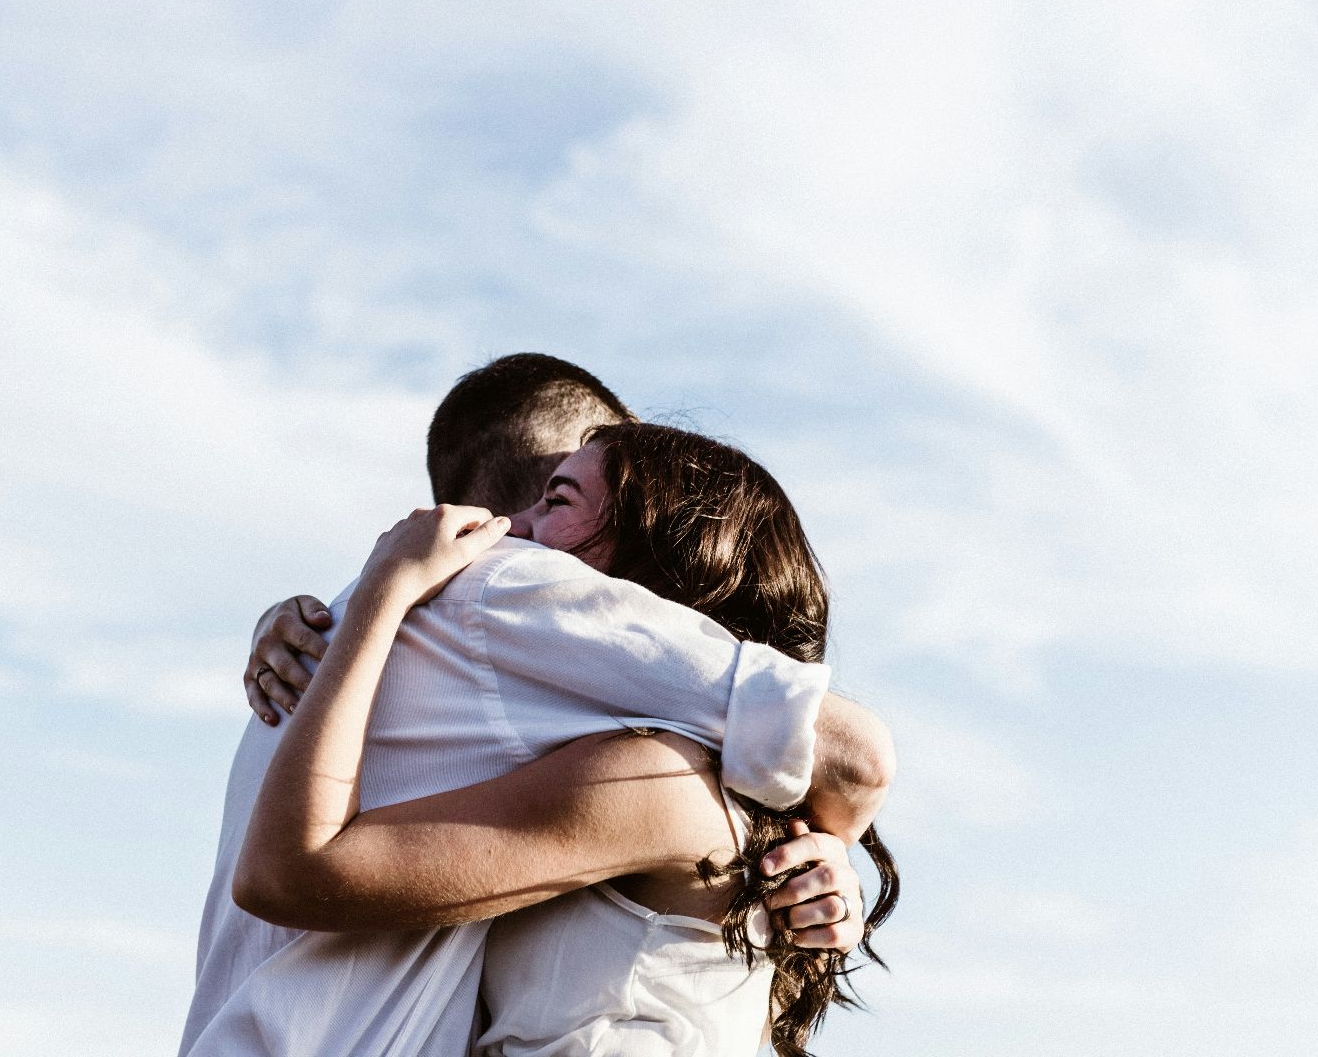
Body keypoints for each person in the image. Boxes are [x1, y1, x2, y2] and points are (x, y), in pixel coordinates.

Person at [180, 355, 893, 1056]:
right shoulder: (505, 595)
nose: (511, 530)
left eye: (557, 502)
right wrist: (826, 841)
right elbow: (853, 759)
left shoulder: (649, 772)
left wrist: (817, 847)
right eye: (552, 491)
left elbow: (848, 760)